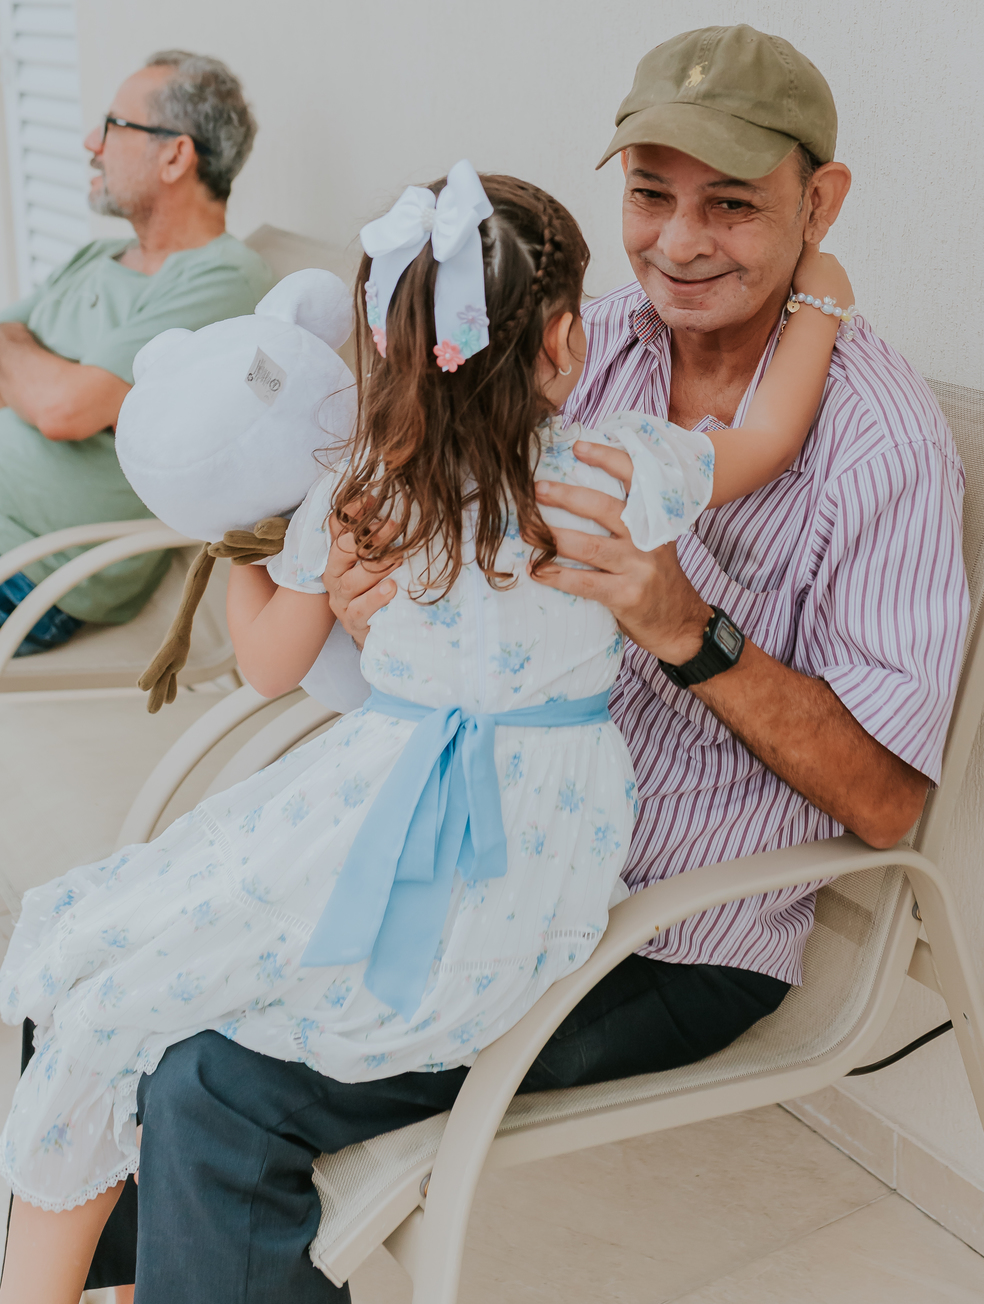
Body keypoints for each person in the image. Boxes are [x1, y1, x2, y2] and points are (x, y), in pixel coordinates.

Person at [0, 160, 853, 1303]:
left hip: (375, 810)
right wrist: (822, 297)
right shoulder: (612, 470)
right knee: (157, 984)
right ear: (562, 345)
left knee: (115, 980)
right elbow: (772, 438)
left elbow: (267, 669)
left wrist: (247, 550)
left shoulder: (361, 489)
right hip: (538, 863)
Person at [0, 52, 273, 652]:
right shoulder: (95, 259)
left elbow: (65, 411)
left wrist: (30, 362)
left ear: (176, 155)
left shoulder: (222, 280)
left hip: (34, 571)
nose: (90, 142)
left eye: (113, 126)